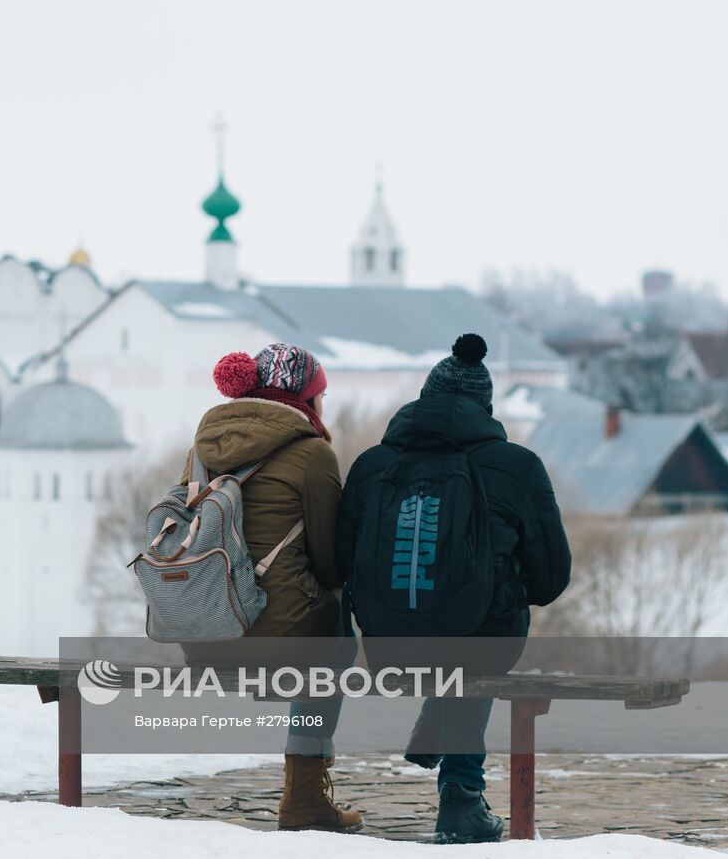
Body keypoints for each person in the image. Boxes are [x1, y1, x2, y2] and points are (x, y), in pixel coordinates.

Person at [335, 333, 571, 844]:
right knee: (479, 634)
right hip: (485, 643)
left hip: (388, 642)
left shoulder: (374, 465)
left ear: (423, 398)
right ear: (485, 406)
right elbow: (551, 580)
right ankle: (461, 795)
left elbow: (338, 562)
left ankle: (439, 720)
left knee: (462, 637)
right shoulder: (517, 466)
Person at [186, 342, 362, 833]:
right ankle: (304, 794)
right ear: (304, 398)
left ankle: (305, 793)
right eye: (320, 394)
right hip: (280, 639)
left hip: (205, 629)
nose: (323, 405)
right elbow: (330, 565)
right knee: (336, 639)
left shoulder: (202, 449)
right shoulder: (312, 454)